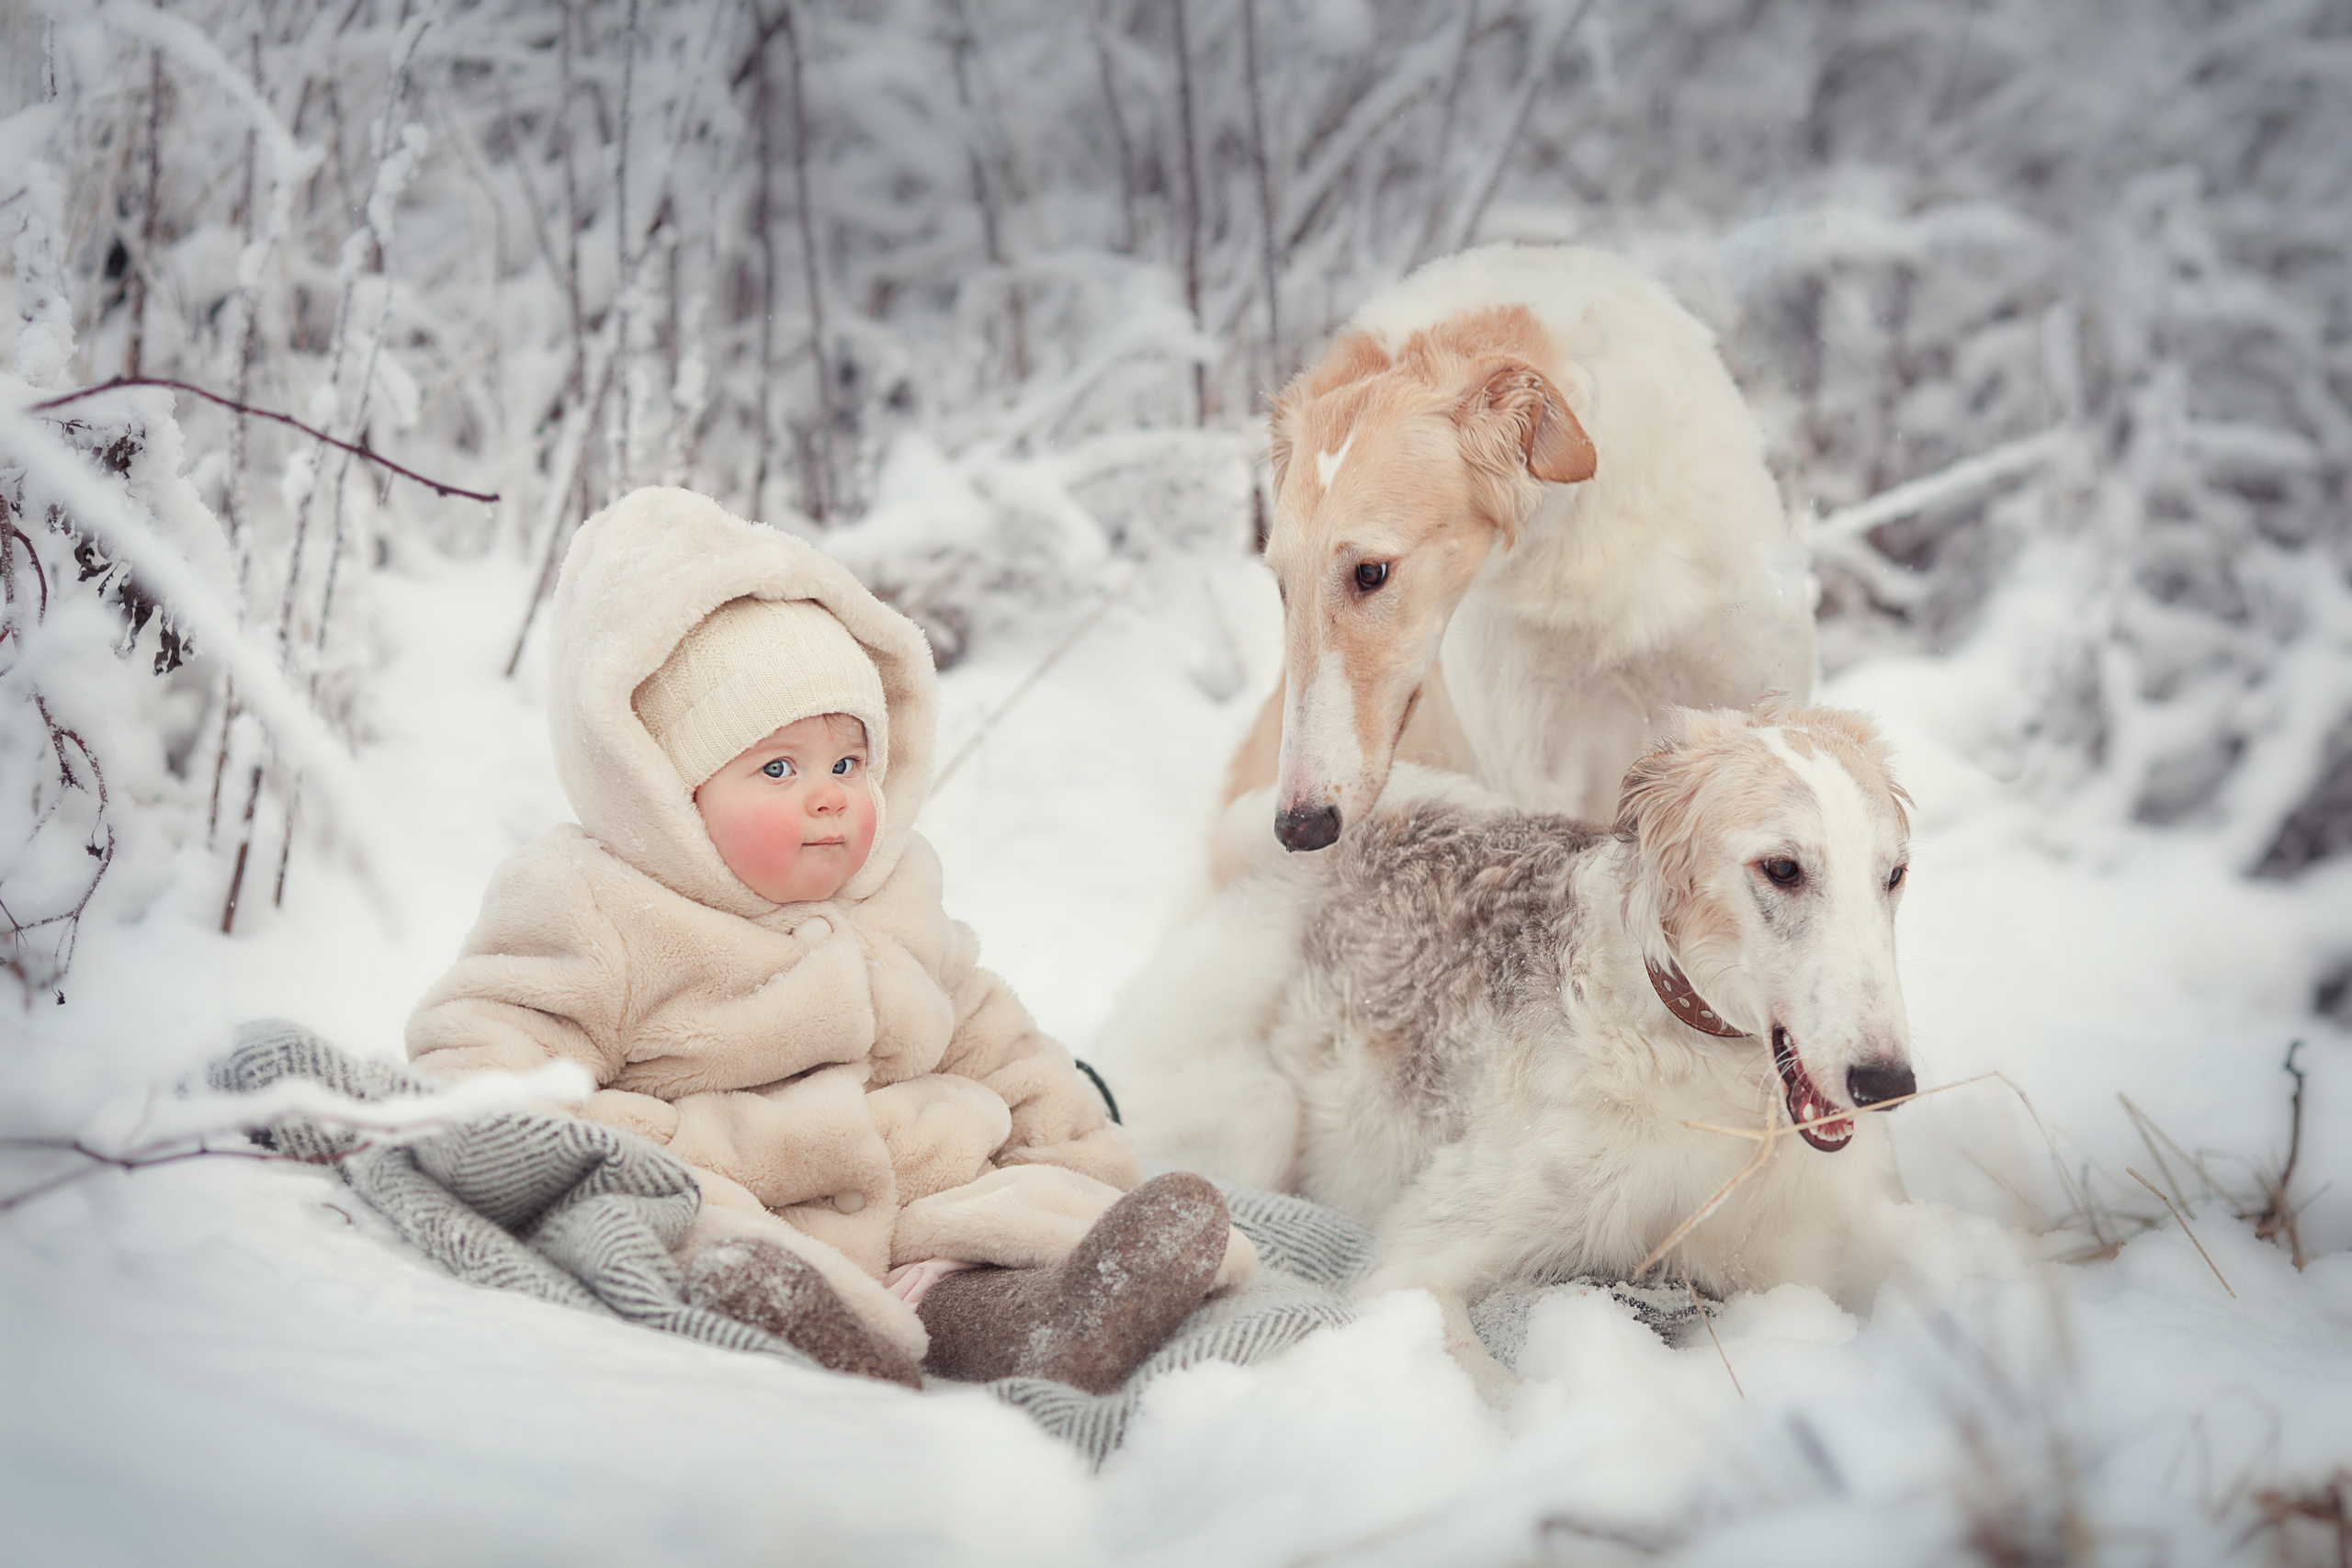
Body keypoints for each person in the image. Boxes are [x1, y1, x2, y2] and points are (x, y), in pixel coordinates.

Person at [407, 486, 1251, 1391]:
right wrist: (620, 1140)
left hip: (925, 1202)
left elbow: (994, 1039)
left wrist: (1081, 1165)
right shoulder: (593, 902)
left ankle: (1050, 1317)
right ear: (665, 790)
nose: (829, 796)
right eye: (779, 768)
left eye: (848, 764)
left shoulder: (895, 888)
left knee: (999, 1223)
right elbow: (480, 1049)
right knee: (687, 1237)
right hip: (740, 1203)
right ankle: (802, 1329)